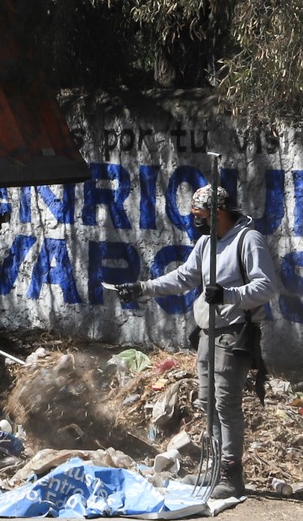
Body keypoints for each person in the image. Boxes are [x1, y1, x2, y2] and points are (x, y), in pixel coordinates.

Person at [116, 184, 277, 499]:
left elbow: (267, 286)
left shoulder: (248, 240)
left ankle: (230, 476)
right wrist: (142, 287)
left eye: (200, 215)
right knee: (208, 403)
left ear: (218, 213)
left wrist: (230, 294)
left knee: (226, 405)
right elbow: (184, 277)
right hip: (208, 333)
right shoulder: (206, 244)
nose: (196, 222)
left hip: (234, 333)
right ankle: (215, 469)